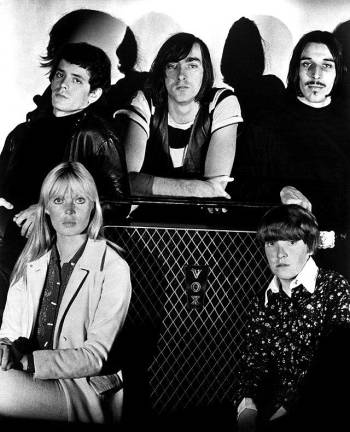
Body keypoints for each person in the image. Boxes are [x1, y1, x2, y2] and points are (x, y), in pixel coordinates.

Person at [0, 42, 129, 317]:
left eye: (76, 79)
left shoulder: (96, 137)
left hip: (64, 257)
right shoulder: (22, 133)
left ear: (93, 94)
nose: (64, 85)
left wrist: (50, 210)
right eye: (60, 75)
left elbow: (118, 203)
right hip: (14, 249)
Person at [0, 162, 131, 423]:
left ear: (93, 207)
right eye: (59, 200)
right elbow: (9, 334)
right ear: (46, 207)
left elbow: (93, 357)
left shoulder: (113, 266)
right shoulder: (31, 265)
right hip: (32, 383)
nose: (69, 210)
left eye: (80, 200)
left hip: (82, 389)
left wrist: (27, 361)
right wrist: (5, 349)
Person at [235, 30, 350, 278]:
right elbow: (241, 190)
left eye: (326, 66)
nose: (315, 75)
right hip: (278, 259)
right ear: (295, 69)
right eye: (307, 64)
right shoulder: (267, 121)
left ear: (338, 72)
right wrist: (279, 191)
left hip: (341, 260)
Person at [235, 204, 350, 432]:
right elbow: (252, 364)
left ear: (309, 246)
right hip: (271, 407)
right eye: (271, 243)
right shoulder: (263, 300)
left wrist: (287, 410)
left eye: (291, 242)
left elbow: (335, 368)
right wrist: (245, 407)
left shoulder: (334, 287)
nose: (280, 254)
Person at [116, 32, 242, 198]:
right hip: (151, 215)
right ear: (163, 73)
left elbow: (215, 190)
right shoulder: (145, 100)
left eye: (192, 66)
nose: (181, 75)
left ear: (205, 71)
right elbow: (127, 182)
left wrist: (151, 185)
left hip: (204, 220)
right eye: (172, 66)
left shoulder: (222, 101)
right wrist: (196, 188)